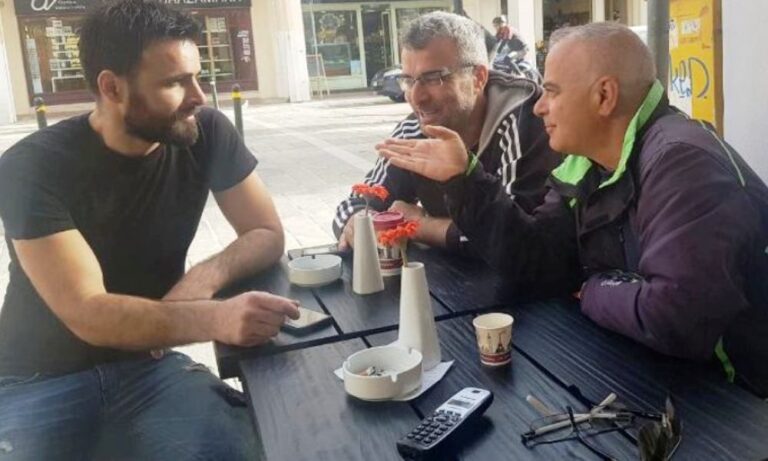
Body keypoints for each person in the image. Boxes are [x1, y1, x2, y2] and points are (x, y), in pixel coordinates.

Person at [379, 22, 768, 396]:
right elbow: (538, 262)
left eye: (551, 91)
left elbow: (677, 318)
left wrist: (593, 288)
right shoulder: (585, 163)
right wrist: (464, 179)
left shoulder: (681, 162)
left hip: (742, 396)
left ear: (604, 96)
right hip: (660, 372)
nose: (539, 108)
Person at [0, 0, 300, 458]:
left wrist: (201, 281)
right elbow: (88, 312)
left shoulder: (205, 131)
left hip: (148, 368)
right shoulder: (31, 167)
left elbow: (264, 231)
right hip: (36, 380)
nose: (199, 96)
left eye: (198, 76)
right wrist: (215, 317)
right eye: (175, 82)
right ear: (112, 87)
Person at [333, 11, 560, 256]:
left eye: (433, 79)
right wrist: (356, 222)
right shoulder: (414, 130)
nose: (416, 97)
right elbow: (358, 202)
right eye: (408, 80)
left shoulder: (523, 121)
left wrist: (420, 225)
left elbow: (513, 239)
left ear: (478, 78)